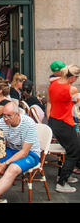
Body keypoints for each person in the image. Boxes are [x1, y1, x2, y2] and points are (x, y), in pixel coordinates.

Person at [0, 101, 41, 203]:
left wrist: (5, 163)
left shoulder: (29, 123)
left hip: (31, 153)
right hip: (11, 150)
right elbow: (0, 144)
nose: (5, 119)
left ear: (17, 115)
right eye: (4, 115)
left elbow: (24, 152)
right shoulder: (1, 122)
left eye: (9, 116)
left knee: (12, 168)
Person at [47, 64, 80, 192]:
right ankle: (62, 183)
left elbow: (50, 101)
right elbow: (78, 103)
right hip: (65, 123)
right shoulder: (72, 89)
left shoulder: (53, 84)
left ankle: (64, 174)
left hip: (54, 121)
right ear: (72, 77)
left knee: (69, 149)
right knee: (74, 152)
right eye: (77, 77)